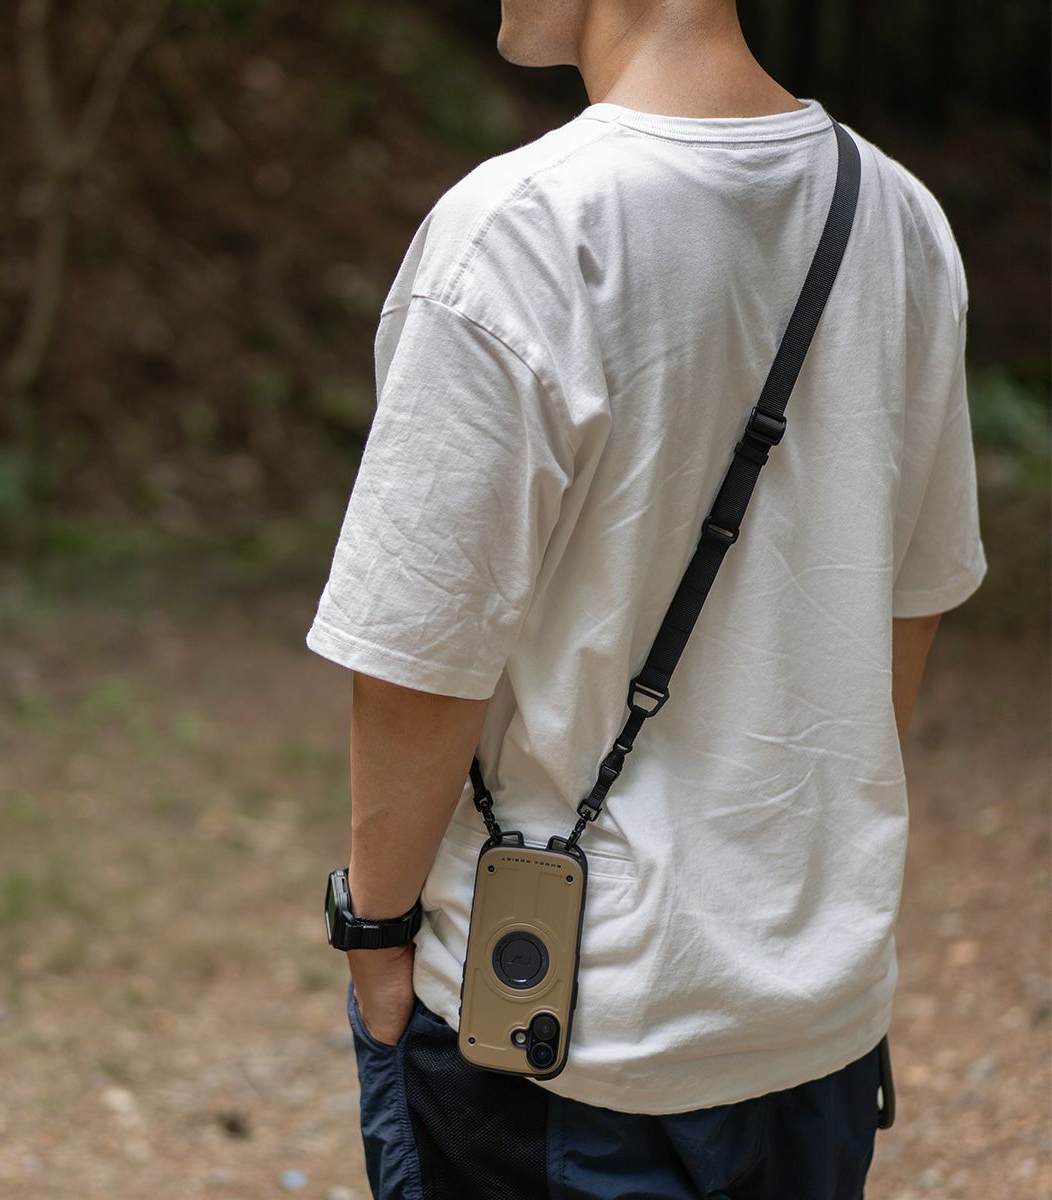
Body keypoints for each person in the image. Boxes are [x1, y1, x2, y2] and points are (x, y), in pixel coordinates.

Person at [305, 0, 988, 1196]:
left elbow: (420, 659)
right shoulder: (898, 217)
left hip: (567, 1038)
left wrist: (374, 939)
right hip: (815, 1021)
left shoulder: (521, 232)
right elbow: (907, 603)